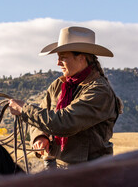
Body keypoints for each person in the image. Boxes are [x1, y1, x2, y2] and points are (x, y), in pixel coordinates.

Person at [8, 26, 122, 168]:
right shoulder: (58, 85)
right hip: (57, 166)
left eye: (63, 58)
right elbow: (42, 115)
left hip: (92, 172)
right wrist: (40, 136)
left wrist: (24, 109)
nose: (58, 63)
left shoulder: (99, 91)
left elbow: (64, 122)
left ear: (81, 58)